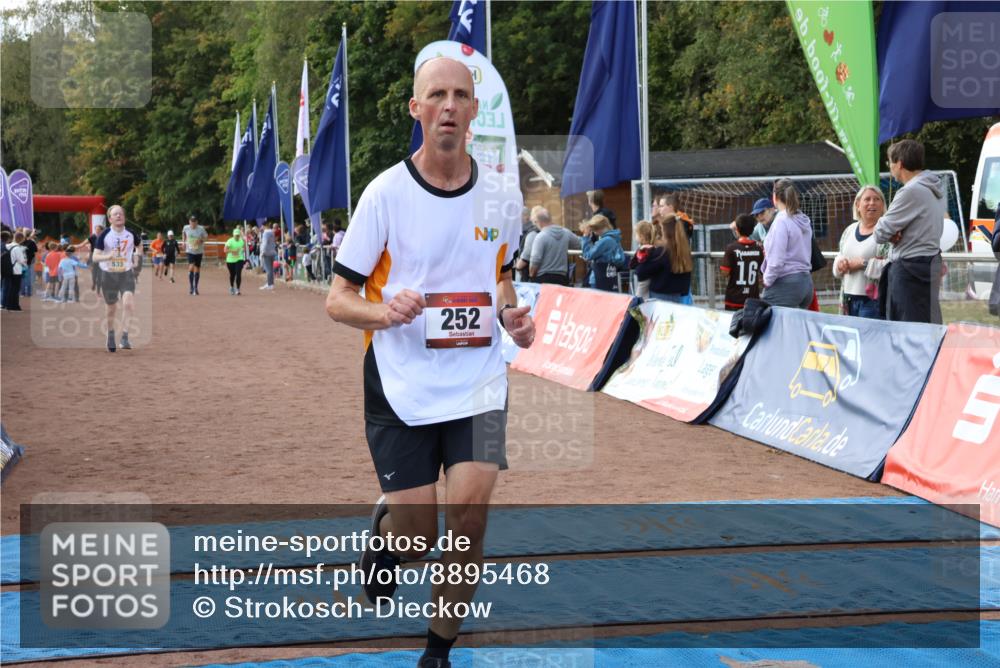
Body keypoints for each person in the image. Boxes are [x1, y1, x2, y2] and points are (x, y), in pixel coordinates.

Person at [324, 56, 533, 668]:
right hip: (400, 384)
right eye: (435, 95)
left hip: (480, 383)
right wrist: (384, 312)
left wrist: (511, 314)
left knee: (469, 519)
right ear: (416, 109)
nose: (448, 105)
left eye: (459, 95)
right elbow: (339, 299)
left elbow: (500, 276)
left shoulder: (502, 193)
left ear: (473, 111)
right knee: (420, 539)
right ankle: (390, 538)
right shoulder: (385, 194)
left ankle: (437, 652)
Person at [874, 139, 945, 323]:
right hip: (928, 265)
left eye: (889, 162)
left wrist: (891, 230)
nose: (889, 167)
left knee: (907, 333)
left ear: (899, 164)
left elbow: (880, 232)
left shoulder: (910, 191)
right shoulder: (934, 188)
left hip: (909, 269)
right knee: (926, 327)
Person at [91, 204, 142, 352]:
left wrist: (137, 258)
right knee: (111, 309)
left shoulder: (131, 233)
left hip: (126, 273)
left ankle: (125, 337)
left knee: (128, 303)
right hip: (108, 275)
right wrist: (108, 256)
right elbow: (95, 257)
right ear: (110, 219)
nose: (119, 216)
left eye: (121, 213)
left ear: (124, 217)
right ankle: (111, 333)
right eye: (115, 214)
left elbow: (139, 247)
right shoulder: (104, 235)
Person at [833, 186, 887, 319]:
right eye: (867, 199)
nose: (872, 203)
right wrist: (840, 265)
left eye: (877, 199)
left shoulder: (887, 232)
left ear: (883, 205)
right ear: (857, 204)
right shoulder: (849, 230)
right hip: (848, 299)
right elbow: (840, 255)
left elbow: (892, 265)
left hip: (873, 302)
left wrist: (864, 264)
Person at [761, 179, 814, 309]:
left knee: (768, 324)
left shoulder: (781, 221)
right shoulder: (802, 218)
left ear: (775, 197)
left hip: (786, 282)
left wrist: (767, 280)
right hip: (806, 283)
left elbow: (776, 260)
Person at [632, 214, 693, 302]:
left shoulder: (661, 252)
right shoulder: (684, 251)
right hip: (678, 297)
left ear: (666, 232)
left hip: (659, 298)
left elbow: (641, 272)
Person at [720, 214, 764, 310]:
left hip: (734, 300)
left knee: (734, 324)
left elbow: (725, 273)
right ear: (753, 230)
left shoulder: (731, 248)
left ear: (737, 230)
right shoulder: (759, 249)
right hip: (752, 300)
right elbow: (762, 273)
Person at [528, 207, 581, 285]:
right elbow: (579, 244)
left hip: (543, 279)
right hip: (562, 278)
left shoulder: (541, 236)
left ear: (538, 222)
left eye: (535, 223)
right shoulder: (565, 232)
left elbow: (535, 260)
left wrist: (531, 276)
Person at [580, 214, 627, 291]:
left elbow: (587, 255)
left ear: (598, 228)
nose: (594, 233)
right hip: (609, 279)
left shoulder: (605, 241)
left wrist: (585, 237)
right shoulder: (615, 238)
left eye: (594, 230)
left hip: (598, 279)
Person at [629, 220, 657, 298]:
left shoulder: (643, 249)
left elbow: (633, 264)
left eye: (636, 235)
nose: (635, 237)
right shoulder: (653, 247)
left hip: (644, 280)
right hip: (651, 279)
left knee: (639, 301)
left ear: (641, 236)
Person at [514, 206, 543, 282]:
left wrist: (518, 266)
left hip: (529, 274)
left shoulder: (531, 232)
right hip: (527, 273)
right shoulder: (523, 231)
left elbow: (527, 254)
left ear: (526, 216)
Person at [182, 214, 207, 295]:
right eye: (191, 222)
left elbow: (206, 237)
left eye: (194, 222)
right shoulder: (186, 227)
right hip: (190, 251)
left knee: (197, 268)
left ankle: (195, 287)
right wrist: (183, 242)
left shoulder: (201, 228)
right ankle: (191, 287)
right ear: (189, 222)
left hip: (199, 251)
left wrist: (200, 240)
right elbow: (183, 233)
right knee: (191, 266)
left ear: (197, 222)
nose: (192, 224)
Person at [2, 231, 27, 311]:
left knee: (8, 287)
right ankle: (13, 306)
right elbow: (21, 260)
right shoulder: (17, 248)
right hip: (16, 270)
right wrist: (25, 263)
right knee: (15, 289)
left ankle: (5, 304)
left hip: (6, 269)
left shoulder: (6, 246)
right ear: (21, 239)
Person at [224, 227, 246, 295]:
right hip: (230, 260)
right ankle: (232, 287)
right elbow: (225, 250)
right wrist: (232, 251)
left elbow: (244, 248)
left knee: (238, 274)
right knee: (232, 275)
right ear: (233, 235)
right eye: (236, 235)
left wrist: (242, 250)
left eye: (238, 235)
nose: (237, 236)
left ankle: (238, 289)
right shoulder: (230, 241)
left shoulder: (241, 241)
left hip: (239, 259)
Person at [20, 229, 38, 298]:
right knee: (29, 277)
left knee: (23, 277)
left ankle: (22, 292)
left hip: (22, 261)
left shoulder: (21, 242)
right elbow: (36, 250)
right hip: (30, 261)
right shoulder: (32, 242)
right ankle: (29, 292)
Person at [259, 222, 277, 290]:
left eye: (262, 226)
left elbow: (265, 243)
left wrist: (262, 252)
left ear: (264, 226)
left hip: (267, 253)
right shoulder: (272, 232)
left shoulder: (266, 233)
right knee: (270, 269)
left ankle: (270, 284)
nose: (261, 228)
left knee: (268, 269)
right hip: (272, 252)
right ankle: (270, 283)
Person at [88, 224, 105, 292]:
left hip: (101, 257)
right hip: (93, 256)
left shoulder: (104, 237)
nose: (97, 231)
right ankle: (94, 283)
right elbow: (85, 244)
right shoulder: (92, 237)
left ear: (101, 230)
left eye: (98, 229)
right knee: (94, 273)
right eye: (96, 229)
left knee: (100, 274)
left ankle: (98, 290)